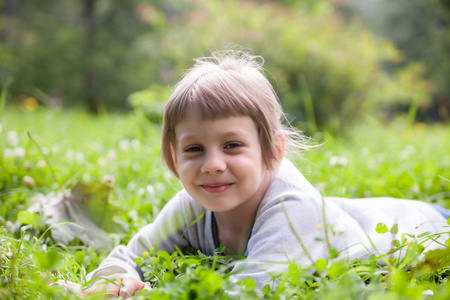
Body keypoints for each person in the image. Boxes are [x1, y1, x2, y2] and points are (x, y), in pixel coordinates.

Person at [57, 50, 449, 298]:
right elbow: (131, 254)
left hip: (419, 228)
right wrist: (112, 281)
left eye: (232, 146)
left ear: (272, 150)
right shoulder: (192, 204)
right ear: (175, 157)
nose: (212, 164)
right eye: (194, 149)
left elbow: (248, 291)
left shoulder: (293, 210)